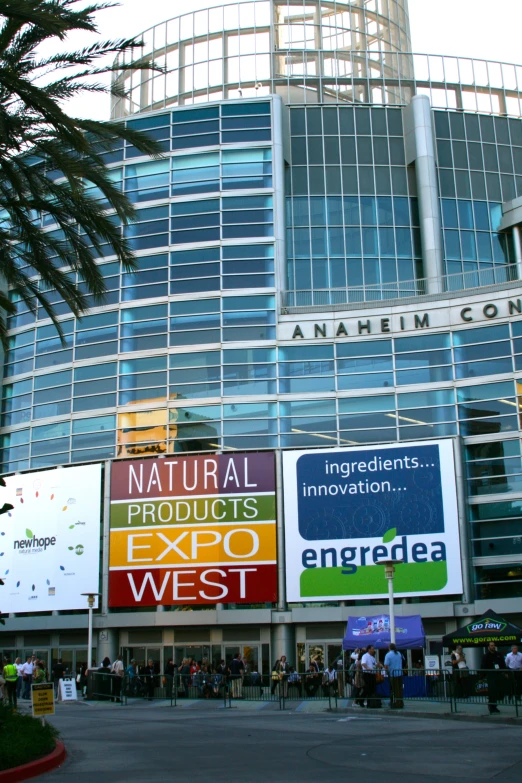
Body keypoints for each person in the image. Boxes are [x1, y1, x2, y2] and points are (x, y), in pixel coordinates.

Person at [481, 641, 507, 714]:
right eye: (491, 645)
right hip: (490, 675)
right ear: (489, 647)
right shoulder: (486, 655)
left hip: (498, 675)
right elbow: (483, 666)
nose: (493, 646)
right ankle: (491, 706)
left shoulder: (498, 654)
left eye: (494, 645)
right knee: (492, 691)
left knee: (497, 691)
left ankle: (495, 706)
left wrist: (504, 672)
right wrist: (483, 676)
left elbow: (502, 663)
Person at [384, 643, 404, 709]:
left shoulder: (388, 655)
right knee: (399, 689)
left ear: (389, 648)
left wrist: (386, 671)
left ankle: (396, 703)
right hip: (399, 673)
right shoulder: (399, 653)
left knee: (394, 690)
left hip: (393, 674)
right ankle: (400, 702)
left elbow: (386, 665)